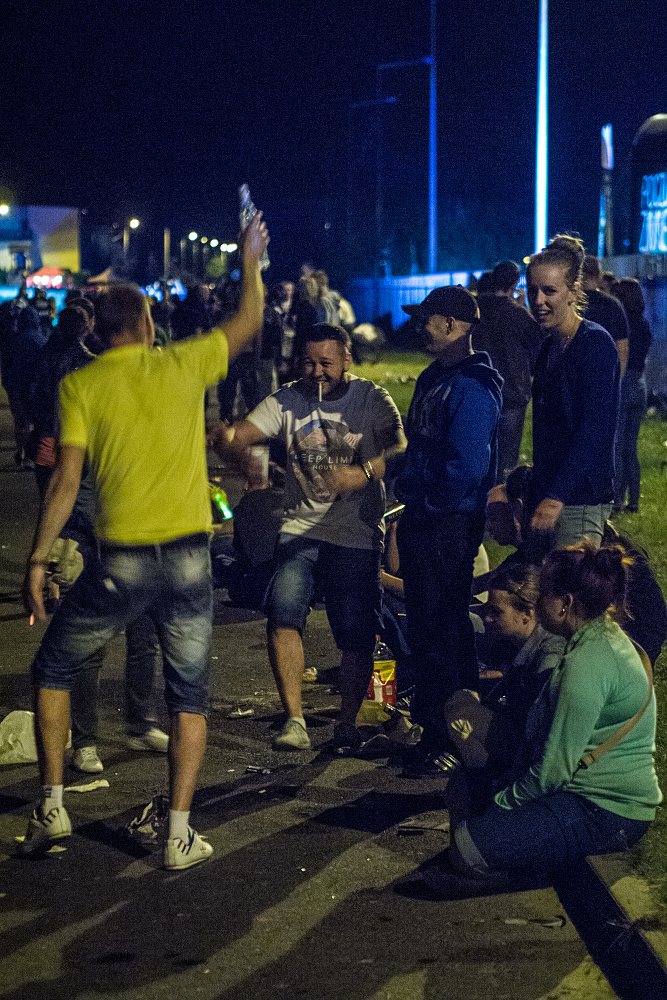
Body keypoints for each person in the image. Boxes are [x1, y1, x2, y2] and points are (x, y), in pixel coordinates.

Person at [20, 212, 269, 869]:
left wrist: (39, 557)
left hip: (121, 561)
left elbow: (66, 480)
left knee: (53, 668)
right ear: (149, 324)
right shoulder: (183, 364)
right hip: (188, 558)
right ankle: (178, 835)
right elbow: (249, 320)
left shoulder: (80, 384)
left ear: (97, 333)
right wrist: (249, 259)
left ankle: (52, 807)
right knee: (188, 698)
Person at [214, 323, 406, 753]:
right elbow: (242, 435)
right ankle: (295, 719)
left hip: (355, 533)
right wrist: (228, 441)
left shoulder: (371, 398)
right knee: (283, 614)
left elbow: (400, 447)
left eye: (326, 363)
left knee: (355, 633)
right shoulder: (288, 398)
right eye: (308, 362)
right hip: (300, 528)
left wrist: (362, 473)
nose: (316, 372)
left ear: (347, 360)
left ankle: (346, 724)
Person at [450, 542, 661, 879]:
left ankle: (524, 871)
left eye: (545, 593)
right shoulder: (601, 638)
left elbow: (553, 771)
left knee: (466, 848)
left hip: (604, 808)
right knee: (464, 793)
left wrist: (501, 803)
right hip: (591, 797)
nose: (537, 603)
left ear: (565, 603)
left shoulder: (587, 663)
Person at [393, 285, 503, 776]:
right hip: (426, 517)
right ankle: (439, 727)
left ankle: (451, 737)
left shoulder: (473, 386)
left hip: (448, 523)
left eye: (427, 320)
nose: (420, 327)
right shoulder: (435, 377)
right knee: (427, 626)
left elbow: (468, 466)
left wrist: (430, 501)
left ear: (452, 325)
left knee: (443, 628)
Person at [526, 235, 620, 548]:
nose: (538, 300)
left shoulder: (594, 344)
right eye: (532, 290)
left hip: (576, 499)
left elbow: (594, 430)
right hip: (549, 494)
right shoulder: (549, 346)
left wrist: (557, 496)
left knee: (567, 582)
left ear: (574, 291)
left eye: (549, 291)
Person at [473, 259, 544, 482]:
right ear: (515, 282)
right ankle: (500, 500)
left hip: (479, 390)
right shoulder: (518, 314)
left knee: (477, 457)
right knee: (506, 462)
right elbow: (539, 347)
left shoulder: (476, 310)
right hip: (512, 393)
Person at [610, 278, 652, 513]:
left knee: (617, 445)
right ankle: (633, 500)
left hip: (624, 384)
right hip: (640, 385)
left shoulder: (622, 324)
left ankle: (616, 499)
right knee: (630, 447)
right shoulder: (644, 324)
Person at [582, 255, 629, 375]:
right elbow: (622, 346)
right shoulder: (612, 304)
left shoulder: (571, 303)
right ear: (599, 276)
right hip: (605, 372)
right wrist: (618, 378)